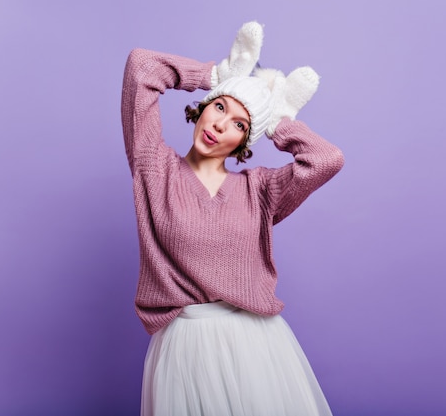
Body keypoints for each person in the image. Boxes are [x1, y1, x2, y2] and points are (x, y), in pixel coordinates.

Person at [121, 21, 344, 416]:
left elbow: (326, 160)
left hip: (256, 345)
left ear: (244, 141)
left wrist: (275, 123)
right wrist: (213, 75)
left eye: (240, 124)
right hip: (185, 345)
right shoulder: (155, 169)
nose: (221, 124)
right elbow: (142, 67)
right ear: (205, 106)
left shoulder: (260, 191)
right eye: (220, 106)